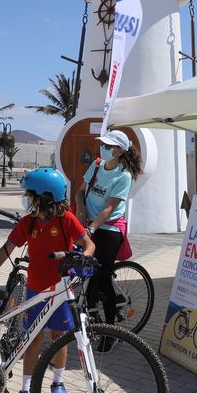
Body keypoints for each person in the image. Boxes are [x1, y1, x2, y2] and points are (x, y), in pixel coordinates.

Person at [0, 167, 95, 393]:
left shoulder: (66, 220)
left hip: (60, 290)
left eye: (30, 195)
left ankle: (58, 383)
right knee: (33, 339)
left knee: (59, 337)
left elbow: (88, 244)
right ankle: (25, 390)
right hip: (35, 290)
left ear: (44, 197)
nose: (27, 199)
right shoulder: (27, 223)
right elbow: (7, 249)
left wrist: (83, 258)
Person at [74, 130, 143, 353]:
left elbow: (110, 207)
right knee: (85, 276)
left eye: (108, 145)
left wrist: (92, 228)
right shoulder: (95, 165)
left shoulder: (123, 175)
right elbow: (80, 192)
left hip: (109, 227)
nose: (103, 148)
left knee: (101, 279)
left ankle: (111, 331)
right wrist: (82, 207)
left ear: (120, 150)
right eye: (103, 144)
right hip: (89, 224)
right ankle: (92, 321)